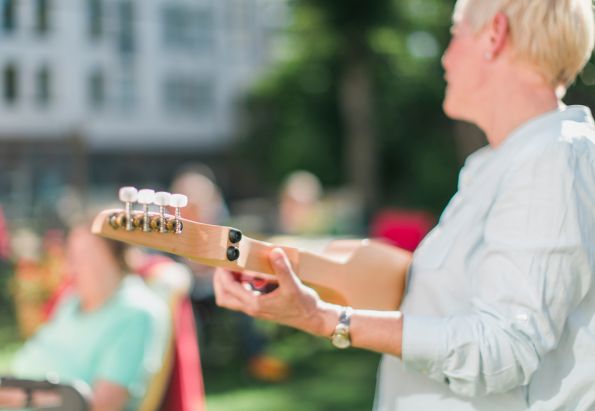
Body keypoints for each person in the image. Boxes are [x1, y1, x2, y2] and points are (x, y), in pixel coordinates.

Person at [213, 1, 595, 410]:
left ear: (495, 35)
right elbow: (438, 306)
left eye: (455, 33)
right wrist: (296, 279)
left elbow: (502, 349)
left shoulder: (552, 159)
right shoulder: (498, 165)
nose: (446, 57)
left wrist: (327, 320)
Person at [0, 224, 170, 411]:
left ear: (117, 256)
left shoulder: (137, 313)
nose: (71, 267)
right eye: (71, 257)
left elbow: (104, 405)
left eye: (84, 258)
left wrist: (22, 397)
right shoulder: (72, 300)